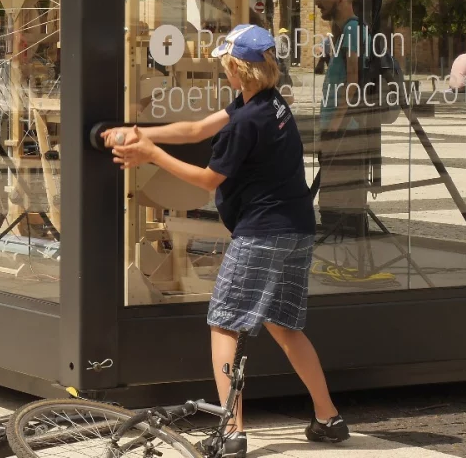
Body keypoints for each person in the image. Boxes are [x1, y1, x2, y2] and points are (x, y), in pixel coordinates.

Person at [105, 24, 349, 457]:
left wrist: (150, 156)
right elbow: (198, 130)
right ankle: (329, 418)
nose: (223, 73)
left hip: (262, 233)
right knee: (285, 326)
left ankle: (231, 432)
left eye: (225, 66)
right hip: (296, 230)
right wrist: (141, 132)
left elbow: (205, 181)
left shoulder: (246, 123)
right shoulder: (269, 105)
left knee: (224, 323)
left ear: (239, 69)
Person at [314, 0, 371, 235]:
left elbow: (353, 81)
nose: (317, 2)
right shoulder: (347, 31)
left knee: (335, 204)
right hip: (343, 130)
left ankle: (342, 260)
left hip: (343, 131)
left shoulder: (352, 29)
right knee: (337, 201)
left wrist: (333, 128)